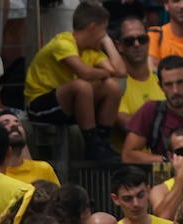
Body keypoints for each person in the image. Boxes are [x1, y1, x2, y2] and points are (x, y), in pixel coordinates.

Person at [22, 1, 124, 161]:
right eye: (103, 30)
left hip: (68, 106)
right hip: (40, 106)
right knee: (82, 86)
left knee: (112, 86)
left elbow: (120, 72)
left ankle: (103, 142)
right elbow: (84, 73)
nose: (105, 35)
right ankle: (92, 146)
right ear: (92, 27)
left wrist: (108, 43)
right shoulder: (63, 43)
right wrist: (106, 72)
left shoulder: (91, 51)